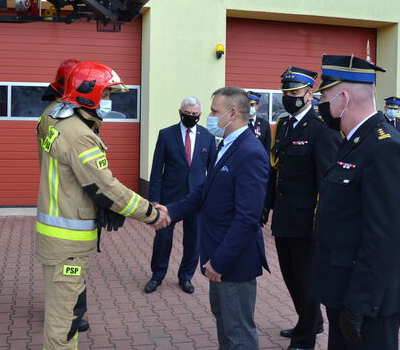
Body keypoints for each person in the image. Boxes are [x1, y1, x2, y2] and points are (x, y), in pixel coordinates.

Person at [35, 61, 163, 349]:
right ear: (87, 94)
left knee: (70, 307)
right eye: (107, 95)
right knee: (64, 321)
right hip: (67, 242)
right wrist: (151, 213)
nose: (108, 101)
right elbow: (106, 187)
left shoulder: (51, 117)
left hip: (59, 235)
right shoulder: (80, 135)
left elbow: (74, 177)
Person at [311, 54, 400, 350]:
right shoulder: (355, 141)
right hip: (345, 287)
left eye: (325, 96)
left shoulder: (385, 148)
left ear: (343, 98)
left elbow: (384, 238)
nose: (321, 104)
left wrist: (359, 304)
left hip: (369, 299)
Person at [155, 87, 270, 349]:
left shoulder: (250, 152)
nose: (209, 116)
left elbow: (248, 219)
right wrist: (171, 211)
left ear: (232, 113)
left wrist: (219, 262)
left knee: (238, 333)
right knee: (226, 325)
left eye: (214, 111)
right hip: (218, 255)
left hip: (232, 262)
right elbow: (203, 192)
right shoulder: (227, 144)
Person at [262, 66, 341, 350]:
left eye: (294, 92)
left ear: (310, 93)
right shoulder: (283, 125)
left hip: (307, 220)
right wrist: (266, 206)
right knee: (290, 277)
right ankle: (311, 320)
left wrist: (321, 222)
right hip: (284, 216)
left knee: (307, 282)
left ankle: (305, 338)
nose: (288, 97)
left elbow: (326, 182)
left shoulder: (321, 130)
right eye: (285, 92)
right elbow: (276, 170)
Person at [144, 97, 217, 294]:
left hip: (196, 198)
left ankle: (186, 276)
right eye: (188, 114)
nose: (192, 117)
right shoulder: (166, 134)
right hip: (170, 197)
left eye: (196, 115)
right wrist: (155, 199)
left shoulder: (208, 138)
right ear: (180, 112)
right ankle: (157, 275)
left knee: (194, 240)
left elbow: (213, 172)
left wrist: (211, 199)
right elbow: (157, 168)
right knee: (163, 238)